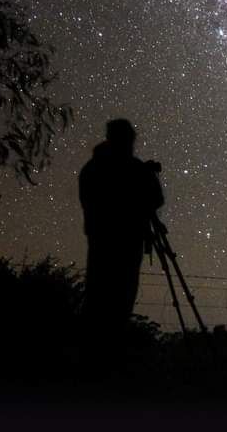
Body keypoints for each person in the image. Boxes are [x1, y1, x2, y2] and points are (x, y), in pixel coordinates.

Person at [79, 118, 163, 335]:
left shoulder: (92, 168)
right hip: (124, 245)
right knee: (119, 304)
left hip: (102, 245)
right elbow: (156, 199)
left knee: (98, 302)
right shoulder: (131, 169)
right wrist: (147, 177)